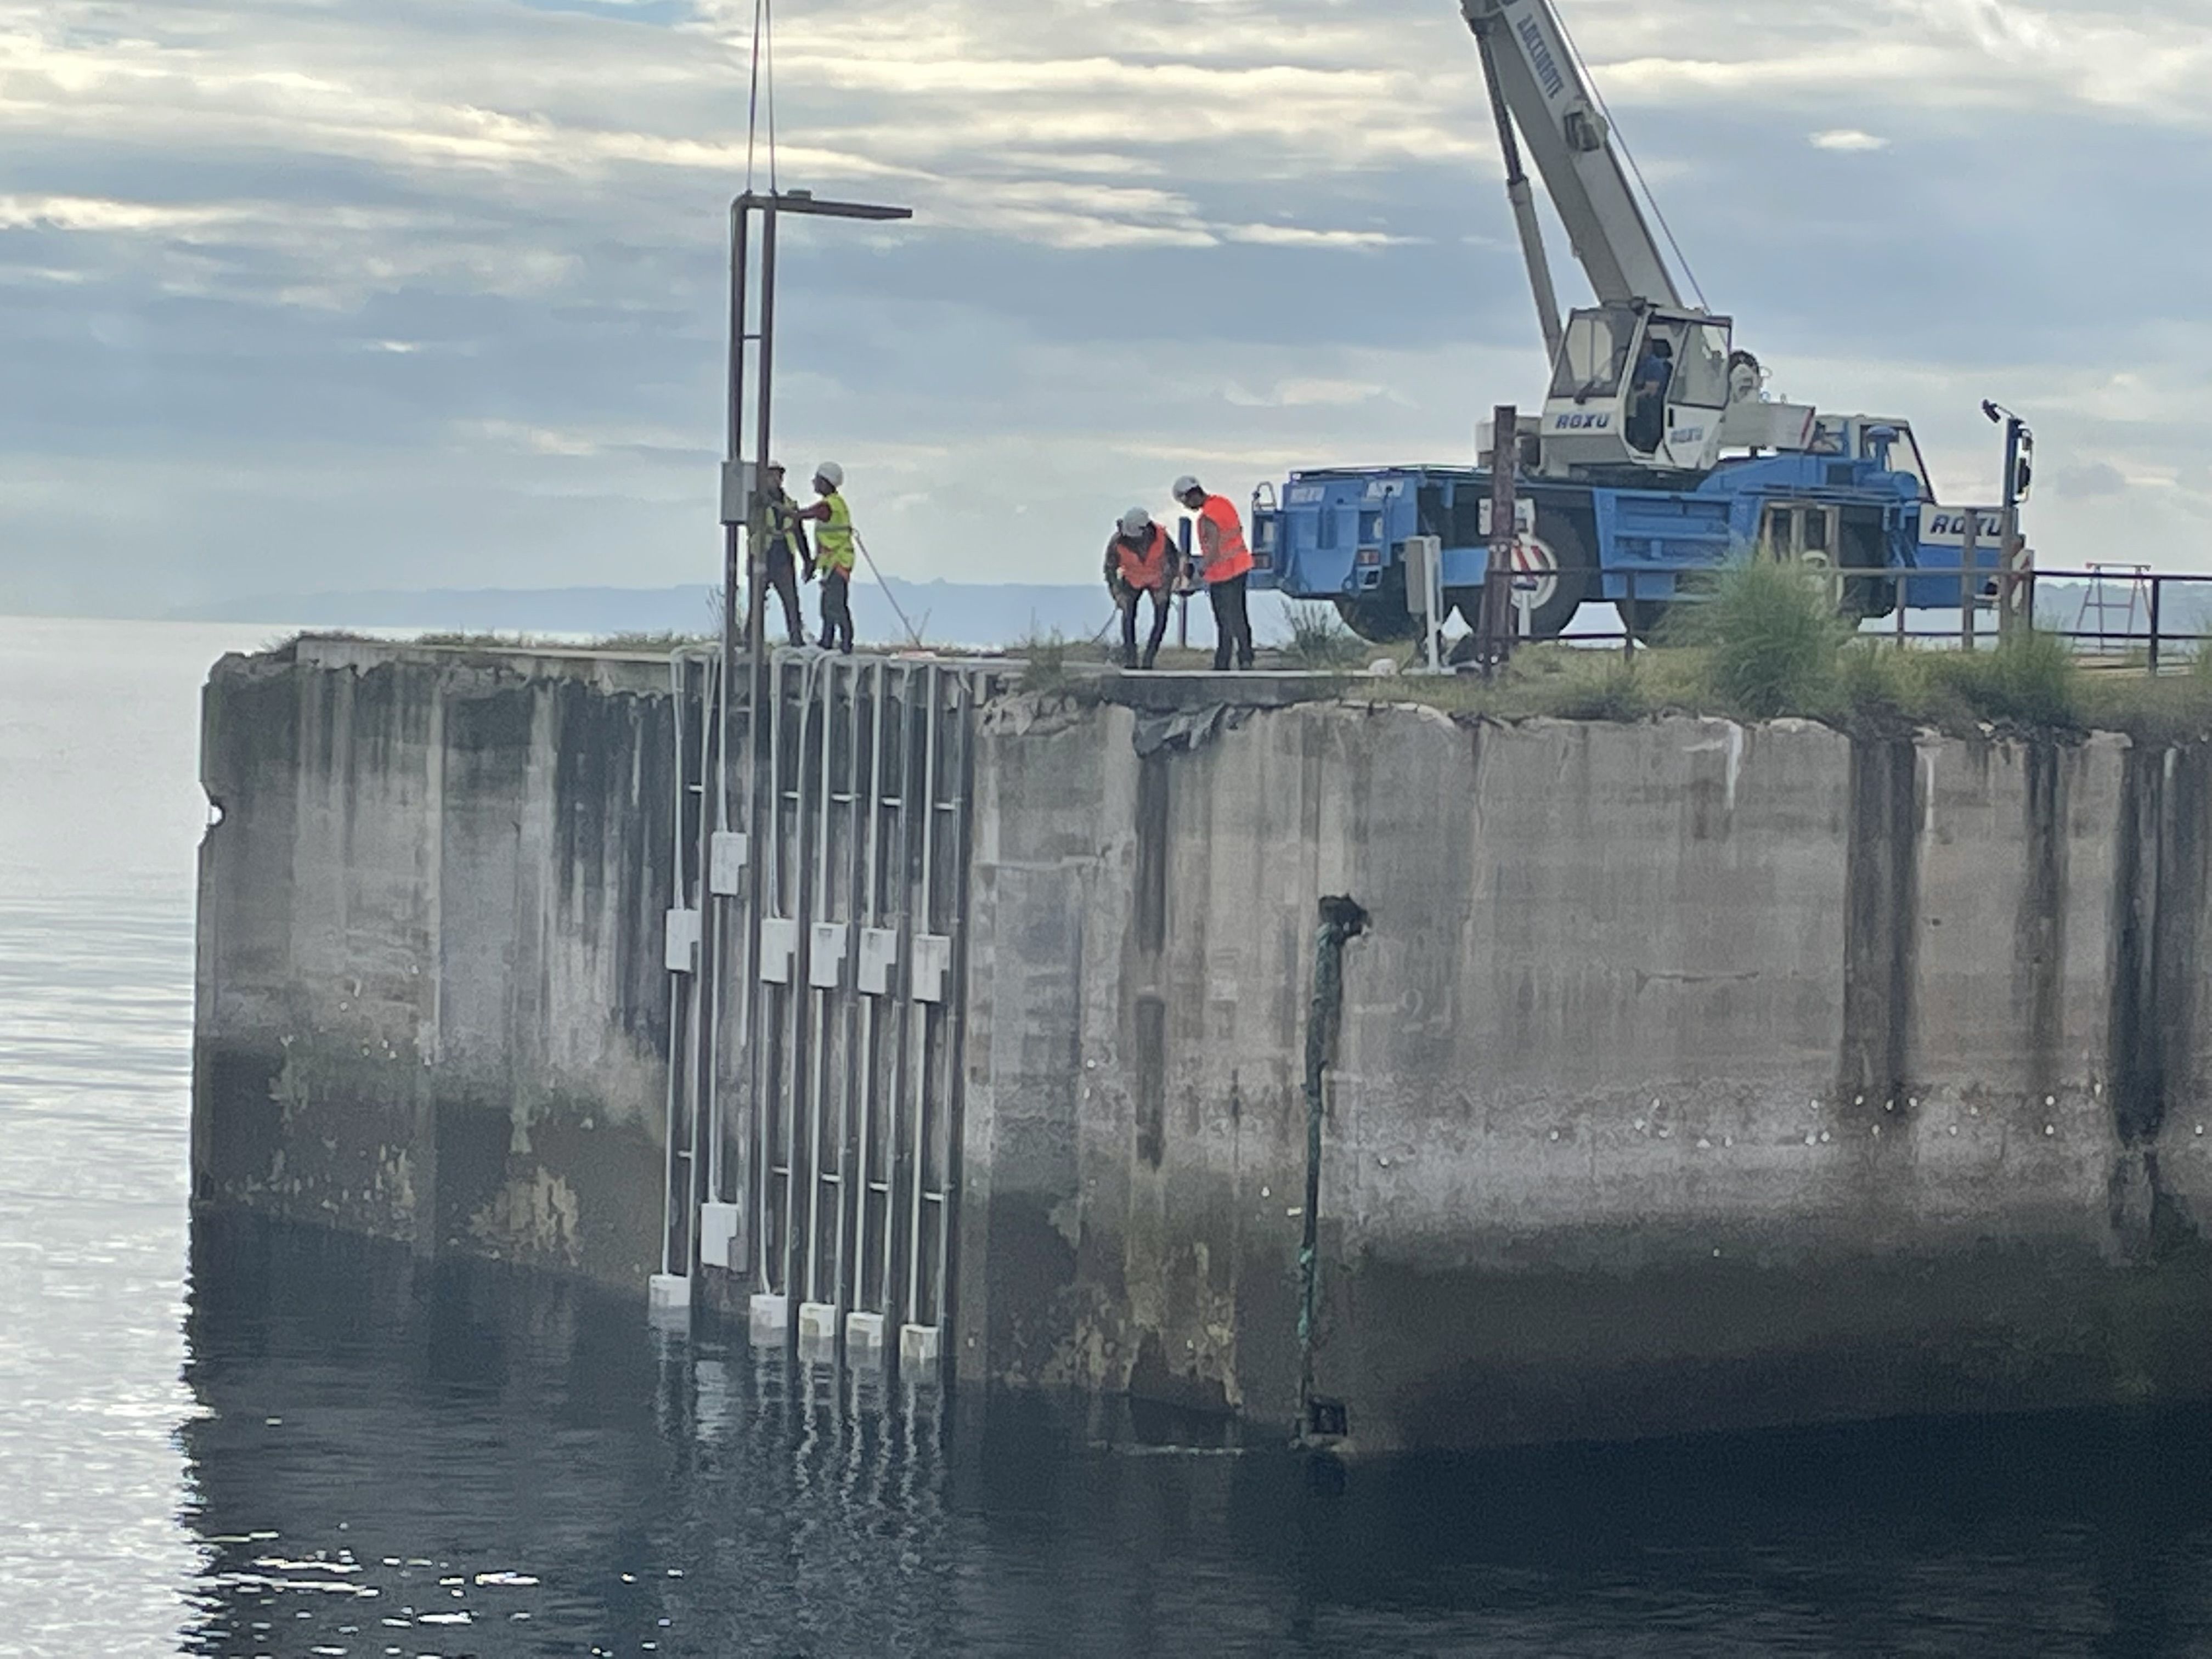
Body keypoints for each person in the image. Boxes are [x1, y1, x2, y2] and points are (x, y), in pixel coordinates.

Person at [1174, 475, 1254, 672]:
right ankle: (1246, 657)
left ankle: (1223, 663)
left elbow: (1214, 549)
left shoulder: (1207, 517)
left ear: (1190, 497)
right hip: (1241, 566)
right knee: (1240, 616)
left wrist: (1199, 571)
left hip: (1222, 574)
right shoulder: (1224, 503)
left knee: (1224, 621)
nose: (1187, 507)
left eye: (1185, 502)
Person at [1103, 506, 1179, 670]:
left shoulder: (1163, 538)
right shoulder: (1118, 542)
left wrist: (1167, 588)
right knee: (1128, 616)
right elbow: (1110, 569)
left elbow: (1175, 562)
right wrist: (1117, 594)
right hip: (1132, 580)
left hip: (1158, 581)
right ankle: (1130, 658)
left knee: (1161, 619)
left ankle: (1149, 659)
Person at [795, 461, 855, 654]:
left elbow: (808, 514)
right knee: (828, 605)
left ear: (826, 482)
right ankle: (827, 640)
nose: (814, 482)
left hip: (838, 561)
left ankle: (846, 642)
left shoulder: (830, 506)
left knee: (835, 604)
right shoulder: (835, 504)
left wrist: (789, 513)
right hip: (832, 562)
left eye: (818, 480)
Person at [760, 461, 810, 647]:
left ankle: (796, 639)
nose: (775, 479)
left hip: (783, 558)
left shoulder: (790, 504)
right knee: (757, 603)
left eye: (778, 476)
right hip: (762, 557)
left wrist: (807, 560)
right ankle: (751, 639)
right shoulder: (757, 503)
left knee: (791, 602)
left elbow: (799, 534)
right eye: (771, 475)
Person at [1627, 334, 1674, 454]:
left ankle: (1642, 443)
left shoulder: (1654, 364)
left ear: (1648, 345)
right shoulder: (1636, 365)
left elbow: (1651, 390)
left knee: (1638, 404)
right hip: (1642, 408)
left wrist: (1630, 397)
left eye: (1644, 343)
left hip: (1652, 409)